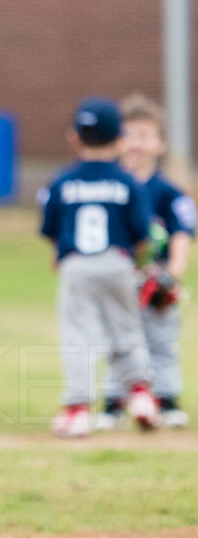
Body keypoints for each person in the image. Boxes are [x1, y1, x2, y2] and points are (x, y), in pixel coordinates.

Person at [40, 96, 158, 438]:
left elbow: (50, 227)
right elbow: (142, 233)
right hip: (117, 262)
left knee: (79, 335)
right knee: (127, 329)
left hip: (76, 264)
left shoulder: (62, 181)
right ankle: (141, 395)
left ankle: (78, 409)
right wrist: (140, 262)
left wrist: (57, 255)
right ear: (120, 139)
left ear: (74, 137)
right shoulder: (127, 182)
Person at [94, 94, 195, 430]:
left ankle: (166, 400)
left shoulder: (168, 192)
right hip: (117, 278)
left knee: (161, 341)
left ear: (161, 143)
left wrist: (173, 274)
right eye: (129, 135)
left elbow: (182, 232)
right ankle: (114, 402)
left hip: (154, 281)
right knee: (115, 342)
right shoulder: (109, 188)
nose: (135, 144)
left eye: (144, 135)